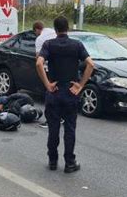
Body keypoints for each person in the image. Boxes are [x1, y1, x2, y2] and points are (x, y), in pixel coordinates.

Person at [36, 16, 94, 173]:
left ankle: (52, 160)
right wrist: (81, 85)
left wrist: (47, 83)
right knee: (70, 129)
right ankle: (70, 162)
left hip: (54, 92)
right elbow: (90, 64)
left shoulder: (49, 44)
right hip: (70, 92)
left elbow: (39, 63)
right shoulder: (77, 45)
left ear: (55, 30)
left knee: (53, 128)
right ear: (67, 28)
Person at [33, 21, 57, 128]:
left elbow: (39, 60)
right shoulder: (53, 32)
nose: (36, 34)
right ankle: (60, 117)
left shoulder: (40, 39)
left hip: (48, 69)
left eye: (35, 32)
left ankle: (49, 120)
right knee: (58, 93)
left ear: (37, 29)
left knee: (49, 94)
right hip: (60, 68)